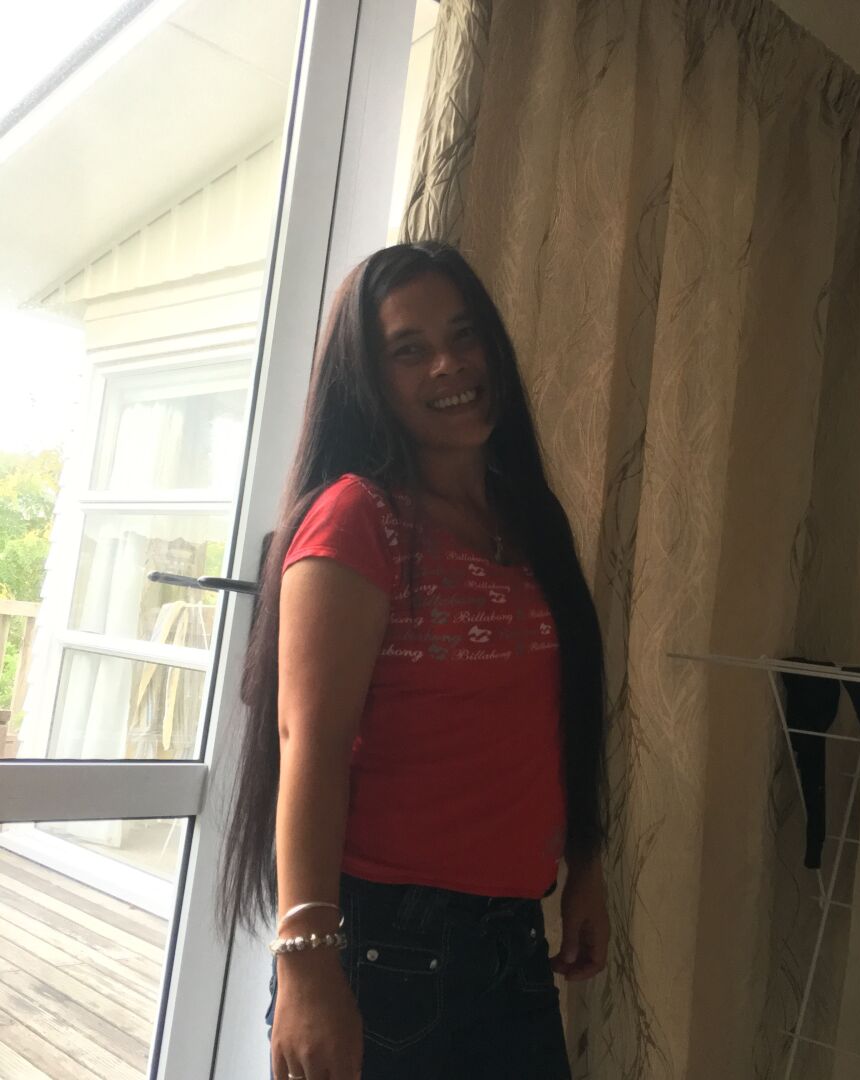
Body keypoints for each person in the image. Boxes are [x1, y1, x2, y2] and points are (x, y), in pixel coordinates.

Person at [218, 242, 610, 1080]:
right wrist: (305, 969)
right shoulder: (358, 518)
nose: (449, 364)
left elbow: (558, 714)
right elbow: (309, 745)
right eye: (409, 349)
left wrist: (587, 862)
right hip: (387, 953)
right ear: (369, 380)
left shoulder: (528, 519)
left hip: (511, 938)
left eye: (464, 335)